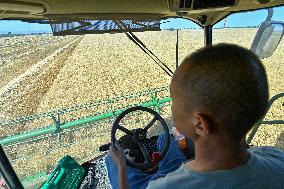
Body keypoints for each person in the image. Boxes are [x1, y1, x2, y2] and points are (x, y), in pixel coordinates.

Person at [106, 44, 284, 189]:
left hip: (173, 173)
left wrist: (122, 166)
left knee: (111, 160)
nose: (172, 105)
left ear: (200, 124)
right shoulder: (276, 157)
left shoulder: (166, 186)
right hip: (192, 164)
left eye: (174, 99)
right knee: (164, 138)